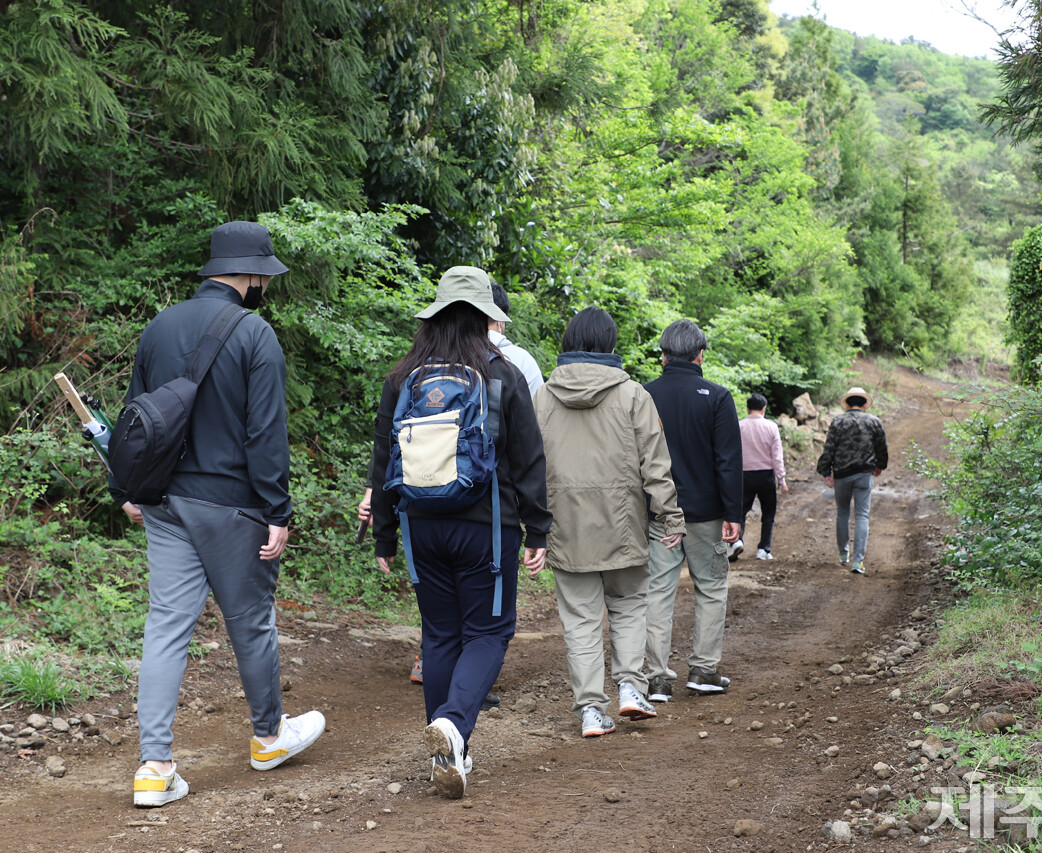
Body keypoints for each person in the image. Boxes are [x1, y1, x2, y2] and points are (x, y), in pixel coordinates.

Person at [117, 221, 326, 808]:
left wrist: (126, 489)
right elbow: (265, 435)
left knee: (165, 629)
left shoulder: (159, 326)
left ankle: (154, 769)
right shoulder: (255, 334)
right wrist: (278, 510)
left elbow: (135, 417)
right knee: (251, 622)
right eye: (265, 275)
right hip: (232, 507)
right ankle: (267, 737)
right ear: (252, 274)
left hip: (164, 504)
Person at [368, 265, 551, 799]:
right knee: (489, 633)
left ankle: (447, 755)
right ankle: (452, 726)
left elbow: (383, 458)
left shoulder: (402, 377)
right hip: (486, 529)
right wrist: (537, 530)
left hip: (419, 528)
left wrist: (383, 533)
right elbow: (529, 458)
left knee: (441, 634)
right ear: (483, 319)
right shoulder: (501, 374)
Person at [534, 308, 685, 737]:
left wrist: (530, 524)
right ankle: (631, 690)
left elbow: (527, 466)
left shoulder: (543, 396)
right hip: (624, 524)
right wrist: (670, 515)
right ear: (610, 345)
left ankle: (590, 711)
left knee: (580, 619)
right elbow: (656, 464)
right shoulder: (633, 394)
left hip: (565, 527)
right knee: (630, 606)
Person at [643, 319, 743, 702]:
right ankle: (703, 669)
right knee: (712, 587)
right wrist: (734, 513)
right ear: (701, 355)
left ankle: (656, 678)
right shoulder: (717, 397)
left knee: (657, 591)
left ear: (664, 356)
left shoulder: (644, 395)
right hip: (707, 515)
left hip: (660, 515)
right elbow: (728, 462)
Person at [816, 386, 889, 574]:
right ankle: (858, 561)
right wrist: (880, 465)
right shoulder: (874, 421)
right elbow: (881, 446)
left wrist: (825, 472)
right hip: (864, 473)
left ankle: (843, 554)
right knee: (862, 515)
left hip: (841, 474)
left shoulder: (838, 421)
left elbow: (829, 448)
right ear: (865, 403)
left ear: (847, 404)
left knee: (842, 513)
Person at [732, 393, 788, 561]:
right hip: (765, 475)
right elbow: (777, 456)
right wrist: (781, 479)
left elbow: (732, 453)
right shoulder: (771, 427)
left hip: (744, 475)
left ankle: (737, 541)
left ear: (748, 408)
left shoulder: (739, 426)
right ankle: (763, 549)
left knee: (740, 511)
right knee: (768, 514)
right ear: (764, 408)